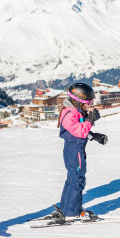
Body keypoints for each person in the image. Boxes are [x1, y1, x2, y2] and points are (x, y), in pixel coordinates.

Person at [51, 82, 108, 223]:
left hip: (75, 149)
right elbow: (80, 131)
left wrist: (94, 135)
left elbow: (82, 130)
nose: (89, 104)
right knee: (77, 179)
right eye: (87, 102)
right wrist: (90, 120)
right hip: (74, 151)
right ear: (78, 100)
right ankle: (73, 212)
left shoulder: (75, 112)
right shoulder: (69, 113)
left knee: (72, 178)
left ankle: (66, 208)